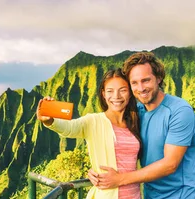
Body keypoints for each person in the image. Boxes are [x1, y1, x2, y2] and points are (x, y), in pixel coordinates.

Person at [89, 52, 195, 199]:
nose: (140, 88)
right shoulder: (138, 112)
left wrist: (119, 179)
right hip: (150, 195)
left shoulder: (179, 111)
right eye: (134, 83)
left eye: (146, 80)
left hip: (181, 195)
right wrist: (98, 172)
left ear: (159, 78)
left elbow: (170, 164)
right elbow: (122, 147)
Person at [37, 68, 142, 199]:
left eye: (123, 90)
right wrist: (50, 120)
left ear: (130, 93)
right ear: (103, 94)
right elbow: (69, 128)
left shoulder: (135, 122)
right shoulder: (93, 121)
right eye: (110, 91)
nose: (116, 96)